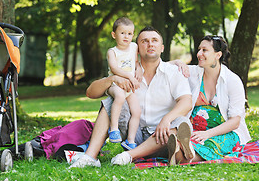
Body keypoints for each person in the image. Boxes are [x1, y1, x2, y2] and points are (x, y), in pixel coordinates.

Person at [70, 26, 193, 168]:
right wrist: (113, 79)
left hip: (164, 135)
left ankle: (130, 156)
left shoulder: (173, 72)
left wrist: (166, 119)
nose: (150, 44)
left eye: (154, 41)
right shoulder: (126, 72)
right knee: (111, 101)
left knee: (182, 122)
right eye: (145, 41)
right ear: (137, 49)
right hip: (134, 136)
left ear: (162, 48)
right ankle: (90, 157)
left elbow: (186, 102)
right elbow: (90, 93)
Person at [167, 35, 251, 165]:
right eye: (199, 49)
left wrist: (207, 134)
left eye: (204, 50)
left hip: (223, 133)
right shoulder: (193, 72)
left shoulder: (232, 80)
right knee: (178, 138)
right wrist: (178, 62)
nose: (199, 53)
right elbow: (164, 67)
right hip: (193, 131)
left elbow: (235, 122)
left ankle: (180, 153)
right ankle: (182, 149)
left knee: (210, 145)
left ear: (218, 55)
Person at [106, 17, 142, 150]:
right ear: (114, 35)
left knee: (137, 111)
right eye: (122, 33)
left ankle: (130, 140)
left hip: (129, 86)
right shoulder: (112, 51)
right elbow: (114, 69)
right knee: (120, 97)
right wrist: (129, 76)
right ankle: (114, 129)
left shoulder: (134, 47)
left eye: (130, 33)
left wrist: (138, 70)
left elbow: (136, 62)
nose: (126, 36)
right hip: (115, 84)